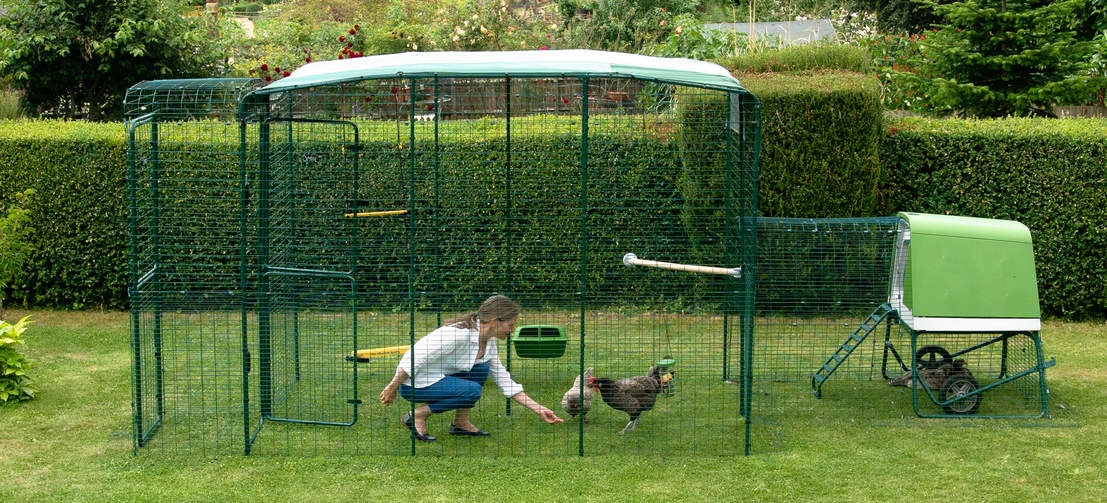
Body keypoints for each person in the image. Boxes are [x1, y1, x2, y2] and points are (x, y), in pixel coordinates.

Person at [379, 294, 563, 441]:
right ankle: (418, 415)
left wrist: (539, 409)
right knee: (472, 391)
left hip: (436, 377)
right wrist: (392, 387)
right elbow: (413, 356)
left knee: (481, 370)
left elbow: (505, 381)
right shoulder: (458, 335)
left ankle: (460, 422)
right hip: (414, 385)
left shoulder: (488, 344)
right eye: (511, 324)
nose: (512, 330)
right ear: (495, 321)